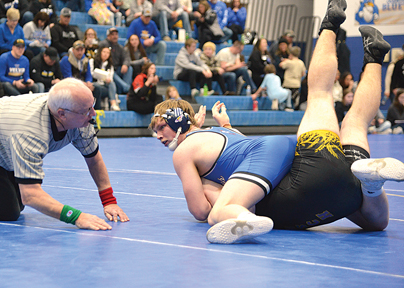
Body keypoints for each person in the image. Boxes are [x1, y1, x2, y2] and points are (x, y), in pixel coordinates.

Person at [150, 0, 401, 244]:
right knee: (357, 130)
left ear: (178, 121)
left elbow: (201, 211)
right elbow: (237, 151)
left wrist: (210, 191)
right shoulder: (221, 136)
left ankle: (329, 27)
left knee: (319, 95)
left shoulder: (186, 154)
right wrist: (225, 126)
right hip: (345, 191)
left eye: (161, 127)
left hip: (299, 187)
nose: (158, 135)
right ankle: (374, 55)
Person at [0, 78, 129, 229]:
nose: (93, 113)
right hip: (11, 134)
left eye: (92, 106)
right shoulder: (31, 132)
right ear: (62, 114)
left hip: (6, 145)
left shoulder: (80, 116)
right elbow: (30, 195)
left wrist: (109, 201)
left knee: (16, 204)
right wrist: (76, 217)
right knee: (9, 212)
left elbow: (94, 159)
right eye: (87, 110)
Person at [60, 40, 103, 110]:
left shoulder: (86, 60)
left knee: (97, 88)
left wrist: (88, 82)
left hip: (83, 83)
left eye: (81, 50)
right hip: (69, 84)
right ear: (73, 50)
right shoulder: (66, 59)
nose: (80, 52)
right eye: (77, 50)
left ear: (84, 50)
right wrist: (83, 84)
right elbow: (68, 77)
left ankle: (96, 110)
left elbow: (88, 75)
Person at [99, 27, 133, 94]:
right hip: (107, 68)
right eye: (112, 35)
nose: (115, 36)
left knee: (129, 68)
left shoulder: (119, 47)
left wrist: (125, 64)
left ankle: (125, 90)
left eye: (116, 34)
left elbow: (126, 57)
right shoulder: (103, 44)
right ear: (108, 36)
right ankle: (126, 88)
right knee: (111, 71)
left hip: (117, 69)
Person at [90, 46, 120, 111]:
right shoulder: (92, 61)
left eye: (108, 53)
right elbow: (91, 73)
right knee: (97, 86)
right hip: (95, 84)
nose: (105, 54)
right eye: (104, 52)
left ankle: (113, 104)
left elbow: (110, 77)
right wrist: (103, 76)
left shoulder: (110, 65)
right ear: (100, 52)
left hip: (104, 86)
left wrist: (107, 79)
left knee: (111, 83)